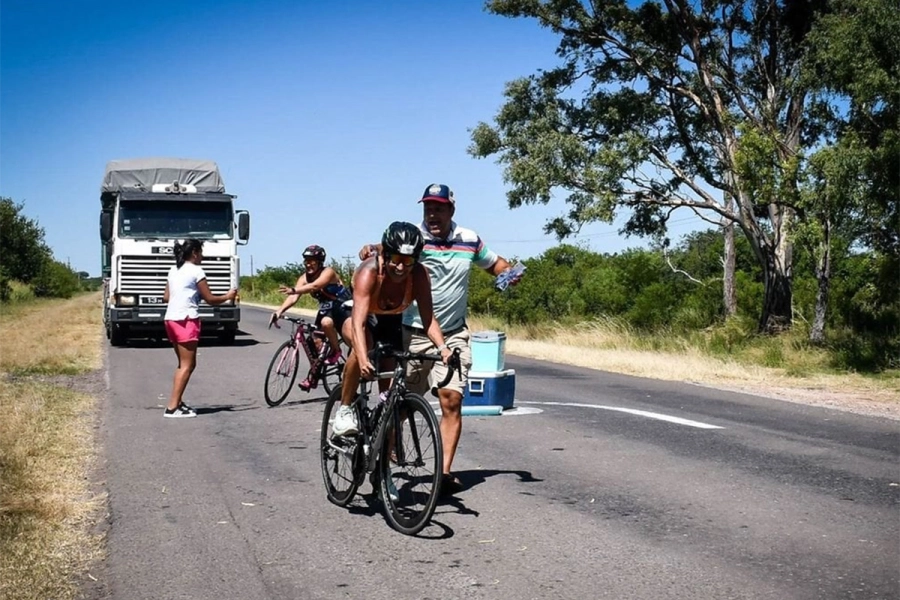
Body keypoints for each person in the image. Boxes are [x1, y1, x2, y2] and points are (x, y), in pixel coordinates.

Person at [359, 183, 519, 493]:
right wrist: (371, 248)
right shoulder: (415, 240)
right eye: (428, 207)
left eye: (439, 208)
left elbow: (497, 265)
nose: (432, 213)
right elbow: (387, 250)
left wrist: (510, 274)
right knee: (400, 406)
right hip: (414, 332)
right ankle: (383, 458)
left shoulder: (469, 240)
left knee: (452, 400)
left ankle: (442, 475)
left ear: (451, 211)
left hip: (455, 332)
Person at [333, 221, 453, 437]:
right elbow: (359, 324)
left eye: (408, 261)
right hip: (355, 313)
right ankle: (344, 409)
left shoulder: (418, 275)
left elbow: (428, 319)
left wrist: (443, 348)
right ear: (386, 255)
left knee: (388, 389)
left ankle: (380, 436)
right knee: (365, 346)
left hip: (388, 319)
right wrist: (362, 359)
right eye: (396, 259)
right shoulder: (369, 273)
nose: (401, 268)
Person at [162, 239, 238, 418]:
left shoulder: (174, 269)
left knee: (182, 364)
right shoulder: (196, 270)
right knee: (188, 365)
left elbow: (166, 297)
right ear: (195, 252)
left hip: (170, 319)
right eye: (201, 252)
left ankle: (178, 402)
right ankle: (172, 407)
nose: (202, 256)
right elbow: (210, 299)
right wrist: (228, 296)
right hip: (186, 319)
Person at [270, 244, 351, 389]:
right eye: (306, 261)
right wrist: (279, 311)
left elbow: (314, 286)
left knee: (326, 323)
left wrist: (294, 289)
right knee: (315, 343)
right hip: (326, 307)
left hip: (341, 306)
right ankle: (314, 376)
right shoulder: (304, 278)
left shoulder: (328, 272)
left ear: (320, 262)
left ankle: (337, 350)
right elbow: (294, 297)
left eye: (312, 261)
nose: (308, 264)